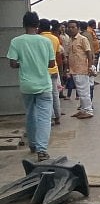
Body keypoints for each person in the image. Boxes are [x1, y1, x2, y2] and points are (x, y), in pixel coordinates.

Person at [7, 11, 56, 161]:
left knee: (30, 114)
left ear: (23, 24)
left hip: (27, 85)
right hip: (44, 84)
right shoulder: (46, 42)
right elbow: (52, 63)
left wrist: (25, 63)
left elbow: (13, 64)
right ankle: (42, 150)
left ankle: (33, 144)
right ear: (38, 25)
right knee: (44, 118)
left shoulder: (16, 41)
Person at [66, 20, 94, 119]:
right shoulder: (70, 40)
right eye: (69, 27)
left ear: (78, 28)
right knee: (80, 90)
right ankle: (83, 109)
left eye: (73, 27)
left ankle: (88, 110)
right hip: (74, 69)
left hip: (82, 69)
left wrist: (90, 67)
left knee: (84, 91)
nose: (70, 29)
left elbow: (89, 53)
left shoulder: (83, 39)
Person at [38, 18, 63, 126]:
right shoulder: (55, 38)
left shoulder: (38, 39)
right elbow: (58, 56)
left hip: (42, 71)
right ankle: (57, 117)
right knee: (55, 94)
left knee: (45, 96)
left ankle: (51, 117)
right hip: (54, 70)